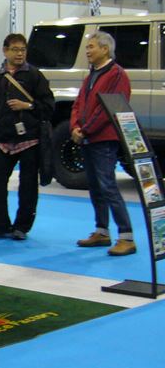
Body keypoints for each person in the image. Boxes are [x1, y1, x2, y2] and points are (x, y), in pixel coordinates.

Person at [0, 33, 55, 240]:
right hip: (3, 140)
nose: (20, 54)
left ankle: (22, 227)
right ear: (5, 51)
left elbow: (49, 107)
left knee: (28, 185)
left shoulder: (35, 76)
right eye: (15, 49)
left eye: (23, 50)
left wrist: (28, 106)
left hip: (29, 139)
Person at [71, 31, 135, 256]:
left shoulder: (117, 74)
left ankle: (126, 237)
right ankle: (102, 231)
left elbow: (109, 109)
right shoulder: (91, 75)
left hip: (104, 139)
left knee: (108, 186)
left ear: (105, 49)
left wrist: (85, 130)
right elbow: (78, 104)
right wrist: (75, 127)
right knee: (96, 186)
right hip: (88, 138)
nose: (87, 51)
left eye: (91, 47)